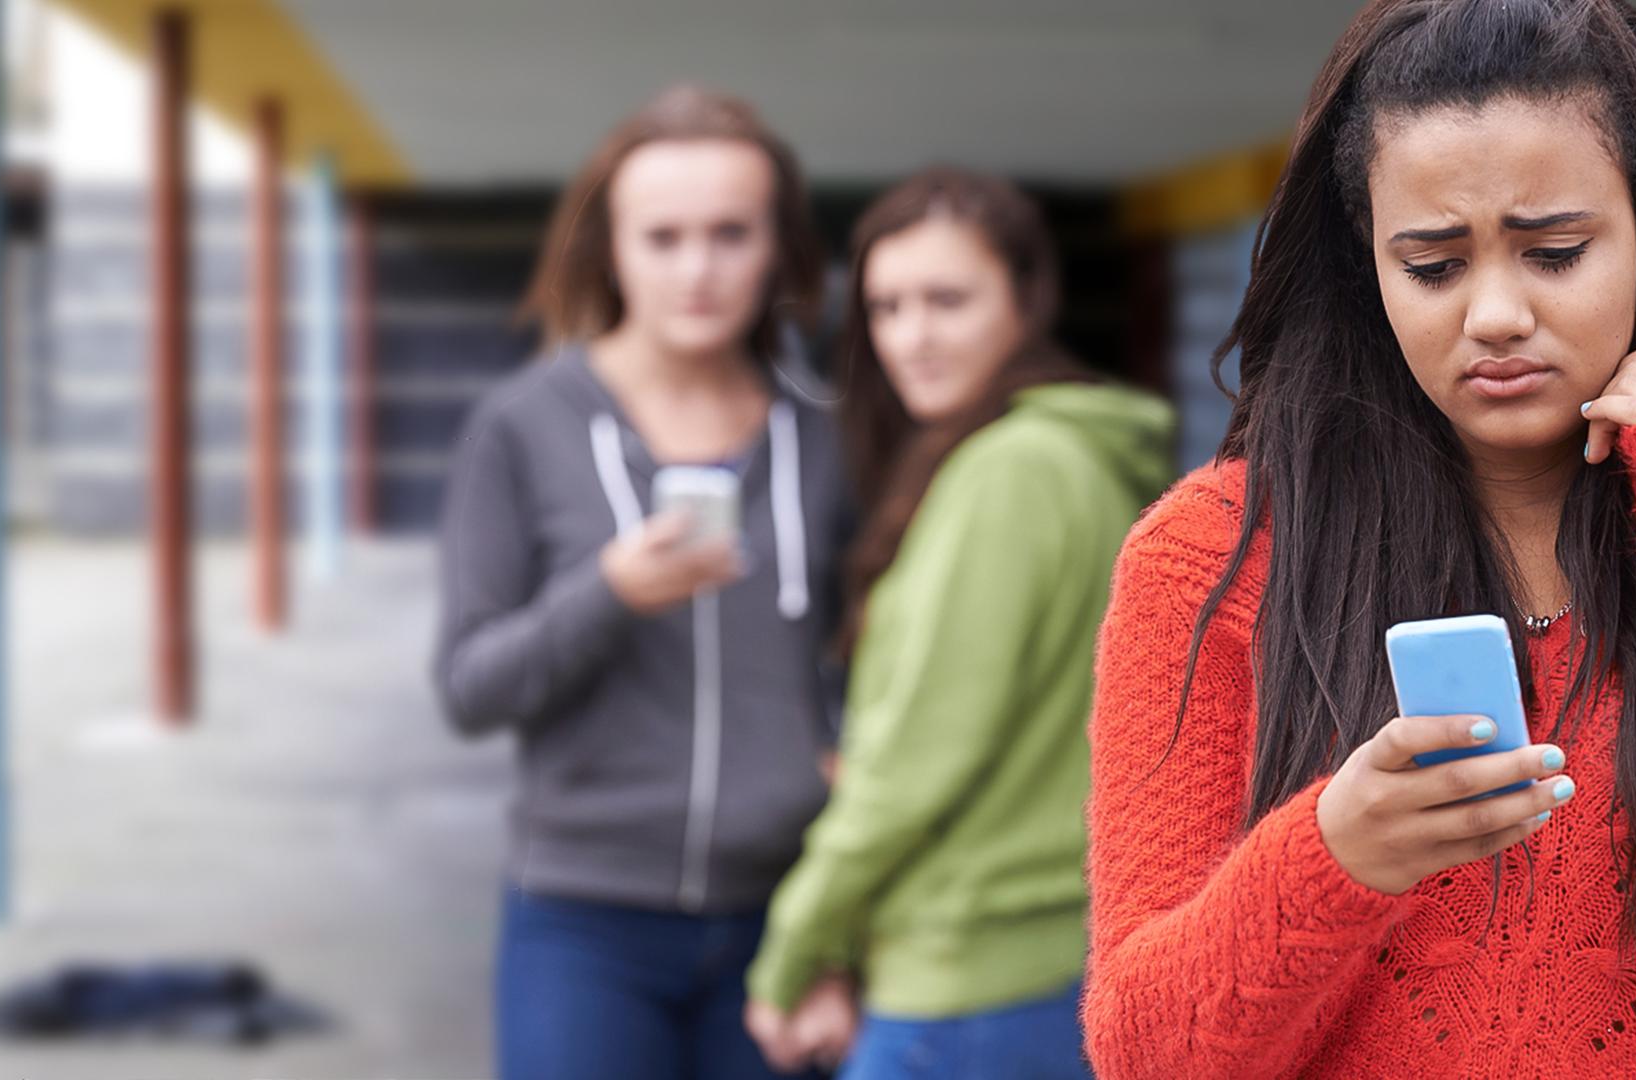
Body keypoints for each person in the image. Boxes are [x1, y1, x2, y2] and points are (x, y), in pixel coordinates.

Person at [1081, 0, 1636, 1075]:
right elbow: (1146, 1055)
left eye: (1555, 253)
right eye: (1432, 266)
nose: (1494, 315)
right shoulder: (1211, 562)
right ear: (1367, 268)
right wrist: (1333, 858)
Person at [432, 85, 849, 1080]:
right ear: (610, 249)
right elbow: (469, 687)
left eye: (730, 234)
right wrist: (606, 593)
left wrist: (841, 934)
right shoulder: (523, 427)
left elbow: (878, 686)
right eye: (661, 237)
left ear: (780, 250)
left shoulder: (831, 437)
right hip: (581, 921)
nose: (697, 271)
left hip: (782, 918)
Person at [743, 168, 1176, 1079]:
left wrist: (791, 953)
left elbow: (916, 765)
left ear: (1027, 299)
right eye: (887, 307)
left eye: (947, 299)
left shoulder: (1010, 472)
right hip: (1048, 966)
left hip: (970, 987)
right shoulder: (1074, 456)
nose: (912, 337)